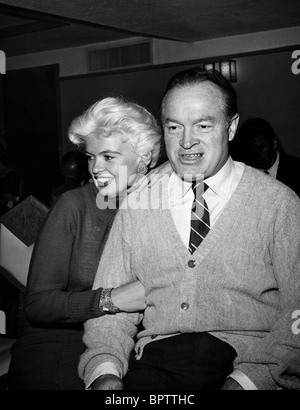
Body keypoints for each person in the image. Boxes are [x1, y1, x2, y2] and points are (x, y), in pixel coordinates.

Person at [79, 67, 300, 390]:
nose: (186, 142)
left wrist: (252, 380)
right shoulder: (139, 201)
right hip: (156, 364)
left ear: (231, 127)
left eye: (203, 125)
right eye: (174, 126)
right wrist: (105, 369)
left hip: (249, 363)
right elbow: (111, 308)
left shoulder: (278, 203)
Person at [7, 96, 162, 390]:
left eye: (108, 157)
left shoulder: (161, 206)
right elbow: (38, 305)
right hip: (62, 340)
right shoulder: (73, 206)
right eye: (91, 157)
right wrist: (110, 299)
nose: (95, 168)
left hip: (132, 342)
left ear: (143, 157)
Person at [230, 117, 300, 196]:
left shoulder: (297, 170)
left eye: (260, 147)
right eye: (250, 149)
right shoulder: (242, 176)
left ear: (274, 143)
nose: (255, 153)